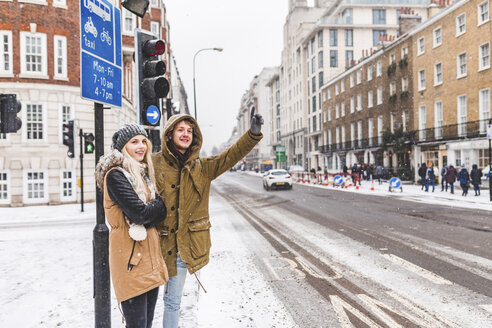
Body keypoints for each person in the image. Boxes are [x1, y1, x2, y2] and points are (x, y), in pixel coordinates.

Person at [151, 114, 263, 328]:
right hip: (155, 245)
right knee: (146, 301)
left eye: (189, 131)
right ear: (170, 134)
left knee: (172, 302)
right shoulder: (154, 162)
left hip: (183, 248)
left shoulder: (202, 167)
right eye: (180, 129)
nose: (185, 134)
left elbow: (230, 156)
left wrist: (252, 135)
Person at [95, 124, 169, 328]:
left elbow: (148, 214)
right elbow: (140, 213)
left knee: (146, 323)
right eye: (134, 142)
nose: (141, 146)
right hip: (130, 260)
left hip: (149, 259)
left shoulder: (142, 175)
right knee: (137, 324)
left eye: (144, 141)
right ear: (123, 147)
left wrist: (152, 211)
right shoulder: (116, 175)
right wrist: (159, 206)